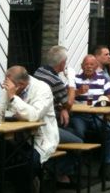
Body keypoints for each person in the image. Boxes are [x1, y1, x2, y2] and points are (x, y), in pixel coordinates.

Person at [0, 66, 59, 193]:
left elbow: (34, 115)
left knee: (28, 164)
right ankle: (26, 185)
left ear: (20, 84)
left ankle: (28, 185)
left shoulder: (42, 89)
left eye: (8, 84)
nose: (5, 86)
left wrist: (12, 97)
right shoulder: (10, 88)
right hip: (15, 139)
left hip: (40, 140)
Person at [34, 46, 83, 182]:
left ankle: (63, 172)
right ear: (62, 64)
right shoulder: (56, 81)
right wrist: (71, 81)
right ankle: (56, 170)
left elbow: (55, 98)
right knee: (79, 142)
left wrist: (62, 108)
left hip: (41, 119)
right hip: (48, 124)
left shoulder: (39, 71)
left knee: (75, 131)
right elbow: (69, 103)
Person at [70, 55, 110, 181]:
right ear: (82, 66)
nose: (89, 67)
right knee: (78, 133)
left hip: (97, 115)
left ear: (96, 67)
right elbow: (66, 97)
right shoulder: (75, 80)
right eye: (86, 64)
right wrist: (78, 92)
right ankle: (76, 165)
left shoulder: (103, 80)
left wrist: (109, 106)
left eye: (92, 65)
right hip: (80, 116)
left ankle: (106, 165)